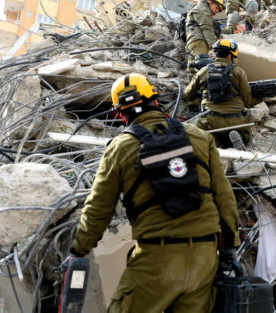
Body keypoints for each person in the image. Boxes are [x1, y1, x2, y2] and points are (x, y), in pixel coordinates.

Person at [66, 73, 240, 313]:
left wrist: (79, 249)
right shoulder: (200, 137)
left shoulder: (120, 148)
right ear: (155, 100)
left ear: (119, 114)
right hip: (204, 258)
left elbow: (98, 209)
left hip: (157, 261)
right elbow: (225, 198)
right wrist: (230, 246)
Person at [183, 39, 258, 149]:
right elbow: (247, 99)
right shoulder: (239, 71)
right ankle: (237, 139)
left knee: (203, 134)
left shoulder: (204, 70)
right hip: (236, 120)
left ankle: (213, 141)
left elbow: (187, 95)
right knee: (246, 136)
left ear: (215, 53)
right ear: (229, 56)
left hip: (211, 119)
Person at [185, 0, 225, 66]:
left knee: (194, 66)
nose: (217, 11)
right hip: (199, 42)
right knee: (202, 67)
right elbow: (207, 29)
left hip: (196, 41)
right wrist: (214, 47)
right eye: (217, 8)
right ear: (210, 2)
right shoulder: (203, 10)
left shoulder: (202, 9)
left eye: (219, 10)